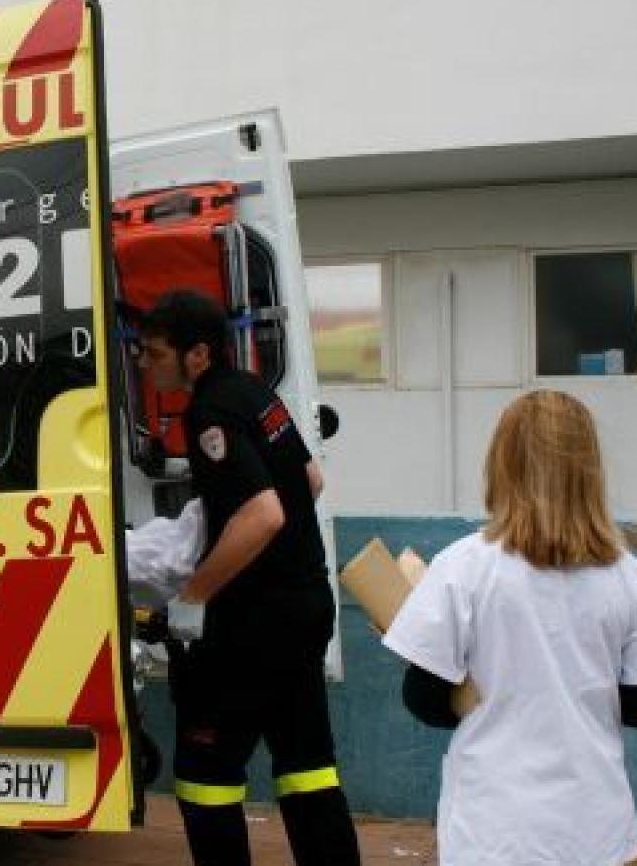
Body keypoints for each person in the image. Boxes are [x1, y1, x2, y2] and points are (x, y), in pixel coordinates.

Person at [383, 390, 637, 866]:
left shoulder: (462, 568)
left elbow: (423, 701)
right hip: (593, 829)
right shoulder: (628, 576)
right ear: (588, 471)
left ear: (502, 465)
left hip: (493, 831)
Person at [136, 289, 361, 866]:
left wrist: (193, 594)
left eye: (155, 353)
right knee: (307, 769)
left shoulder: (208, 410)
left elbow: (264, 512)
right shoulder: (259, 394)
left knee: (207, 777)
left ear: (198, 356)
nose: (144, 363)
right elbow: (309, 481)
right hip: (306, 610)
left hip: (249, 630)